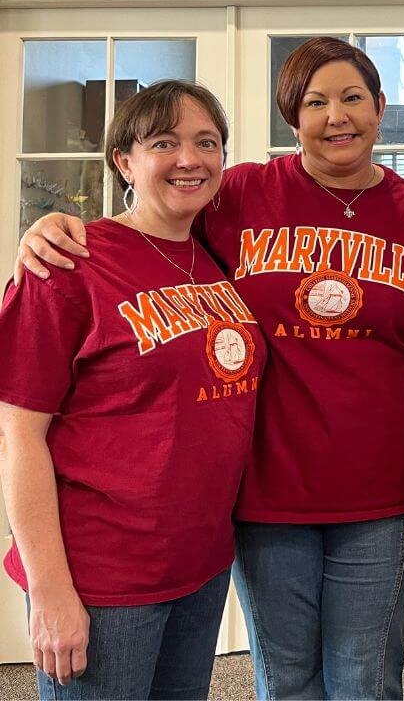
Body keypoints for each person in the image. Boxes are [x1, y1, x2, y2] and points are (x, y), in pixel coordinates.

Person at [15, 38, 404, 700]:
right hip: (245, 503)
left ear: (381, 108)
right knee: (285, 678)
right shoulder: (233, 198)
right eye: (314, 102)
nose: (337, 116)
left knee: (367, 680)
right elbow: (20, 430)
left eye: (353, 97)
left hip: (338, 504)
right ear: (291, 121)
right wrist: (51, 226)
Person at [0, 81, 265, 699]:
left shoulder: (214, 260)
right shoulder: (68, 264)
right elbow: (18, 433)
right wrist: (51, 591)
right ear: (124, 160)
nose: (189, 159)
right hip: (103, 576)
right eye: (164, 143)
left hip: (199, 564)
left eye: (207, 143)